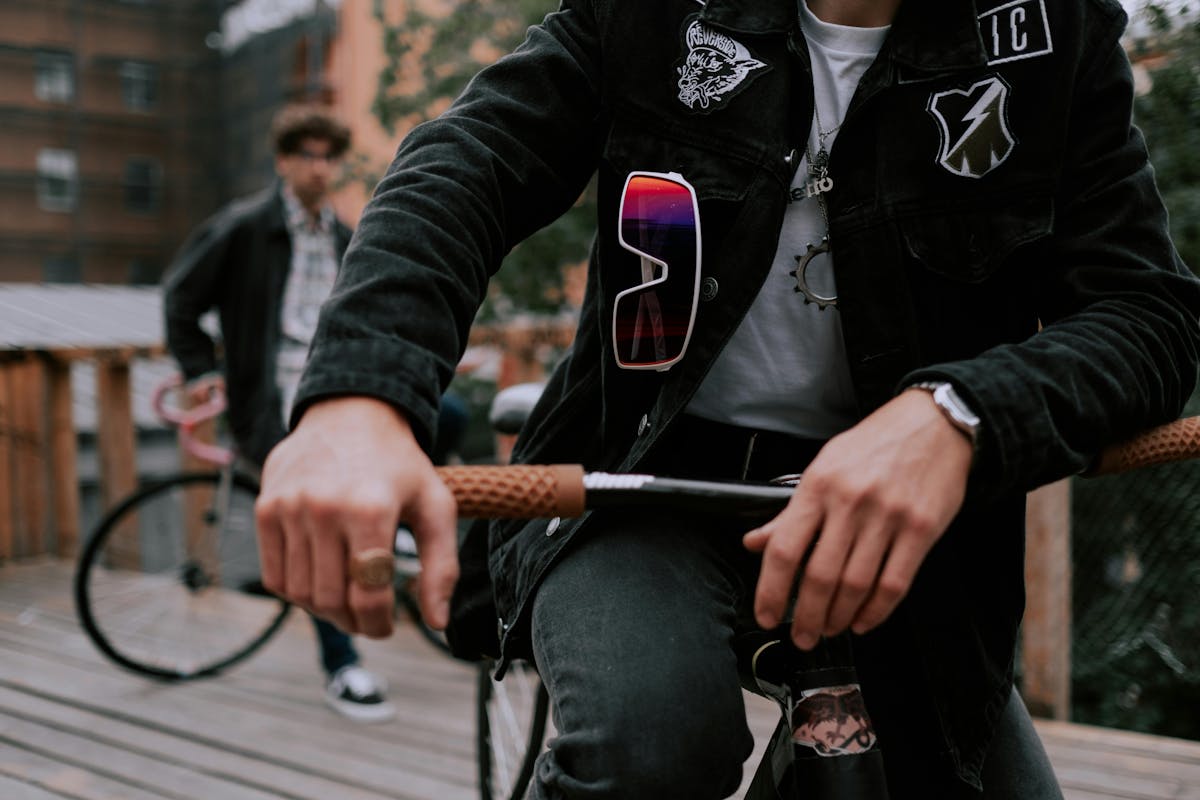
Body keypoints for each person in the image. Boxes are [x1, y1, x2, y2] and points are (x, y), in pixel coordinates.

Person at [253, 1, 1200, 797]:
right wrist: (359, 398)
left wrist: (961, 413)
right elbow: (466, 168)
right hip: (646, 482)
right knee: (651, 745)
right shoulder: (654, 12)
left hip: (900, 520)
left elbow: (1148, 312)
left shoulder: (1052, 33)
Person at [162, 104, 396, 723]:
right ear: (284, 161)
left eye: (329, 157)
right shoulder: (246, 228)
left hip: (337, 392)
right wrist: (203, 373)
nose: (321, 169)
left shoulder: (346, 237)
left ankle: (394, 530)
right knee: (315, 517)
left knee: (445, 418)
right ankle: (343, 665)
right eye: (308, 156)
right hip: (269, 404)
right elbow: (181, 300)